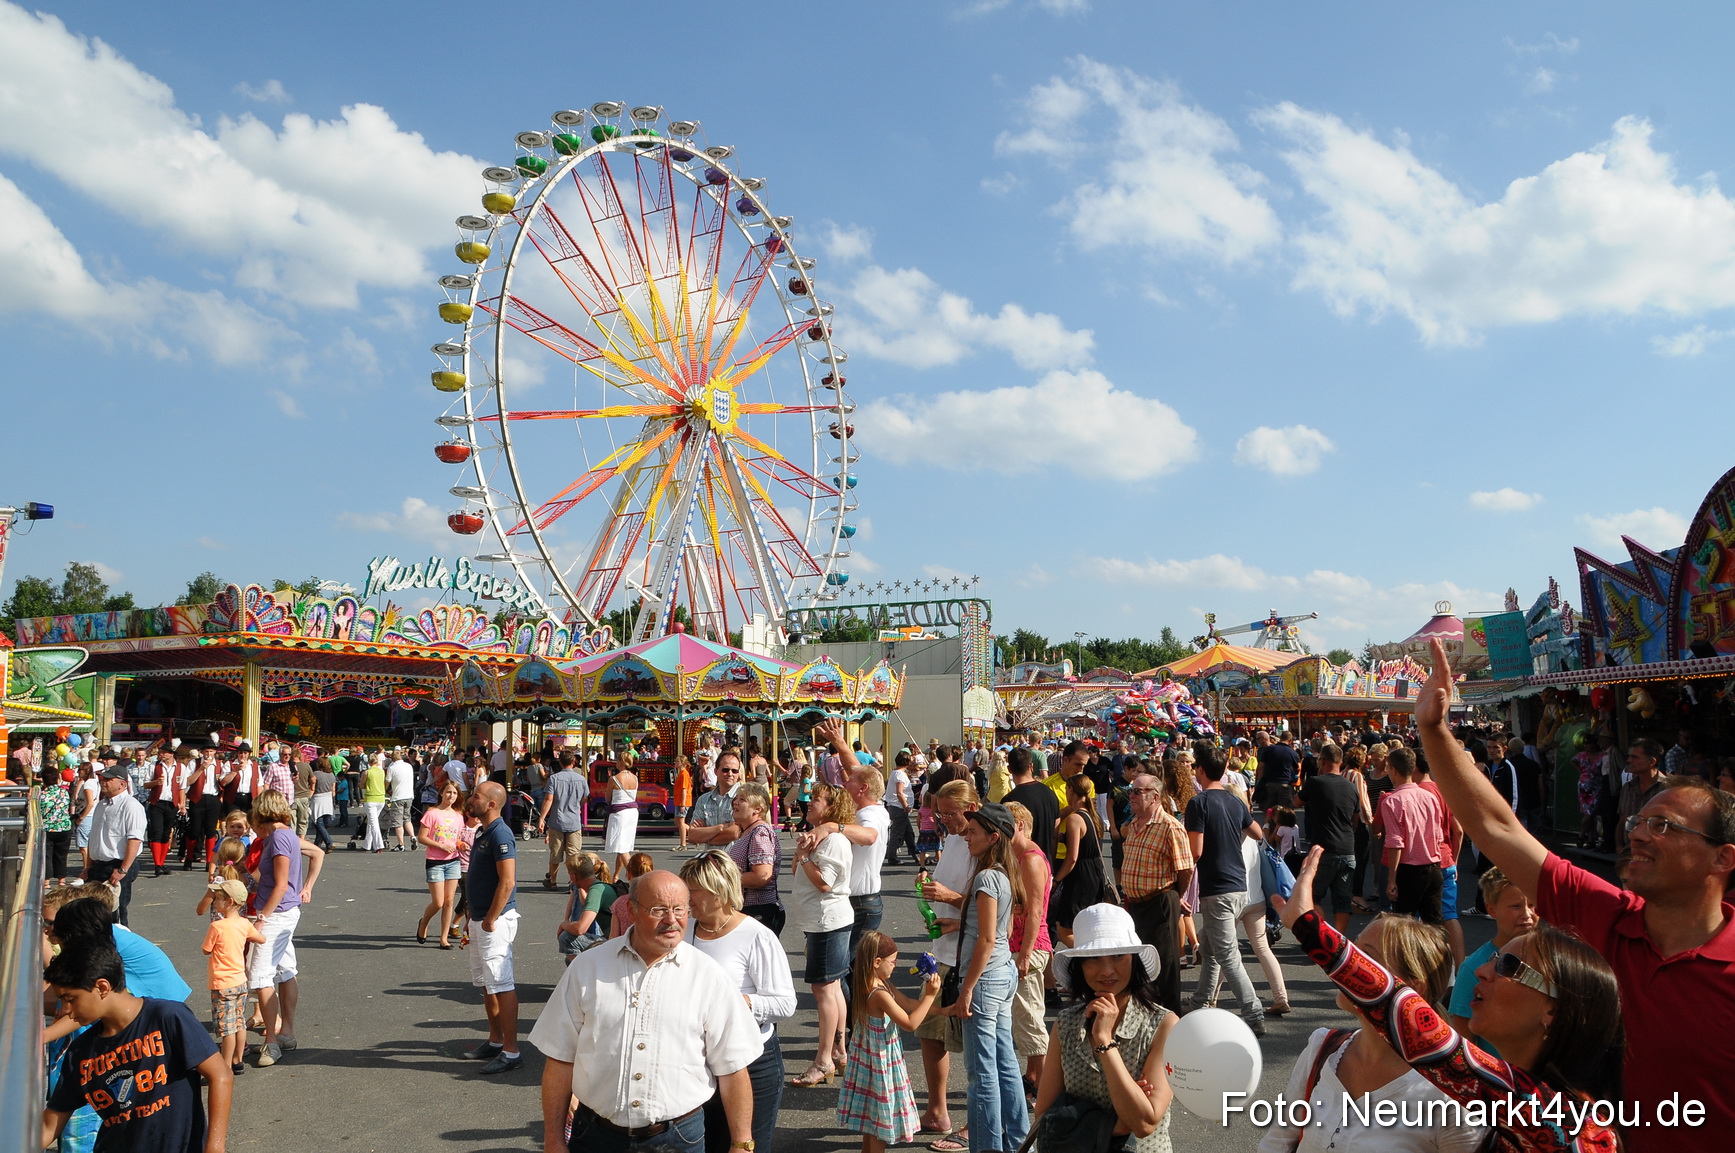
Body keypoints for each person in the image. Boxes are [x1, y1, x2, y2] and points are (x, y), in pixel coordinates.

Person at [1417, 638, 1734, 1153]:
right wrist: (1433, 730)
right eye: (1638, 821)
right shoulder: (1606, 914)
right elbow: (1497, 827)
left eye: (1664, 826)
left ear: (1723, 859)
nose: (1637, 834)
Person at [1282, 845, 1620, 1153]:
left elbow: (1425, 1036)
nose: (1483, 970)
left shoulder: (1566, 1122)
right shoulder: (1519, 1103)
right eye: (1494, 958)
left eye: (1509, 965)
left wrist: (1311, 929)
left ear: (1554, 1009)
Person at [530, 869, 762, 1153]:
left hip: (679, 1139)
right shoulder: (588, 967)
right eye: (658, 910)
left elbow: (733, 1068)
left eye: (680, 910)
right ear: (631, 909)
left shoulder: (709, 976)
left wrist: (742, 1143)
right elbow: (560, 1059)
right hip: (595, 1137)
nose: (672, 920)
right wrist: (553, 1139)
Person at [1259, 906, 1487, 1153]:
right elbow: (1278, 1141)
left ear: (1412, 989)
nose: (1344, 965)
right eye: (1351, 949)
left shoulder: (1450, 1098)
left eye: (1365, 957)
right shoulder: (1323, 1047)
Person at [42, 940, 233, 1153]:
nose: (64, 1010)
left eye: (70, 999)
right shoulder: (80, 1052)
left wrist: (215, 1146)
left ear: (102, 987)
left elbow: (220, 1075)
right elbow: (50, 1125)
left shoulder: (168, 1018)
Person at [1033, 903, 1176, 1153]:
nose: (1107, 970)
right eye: (1093, 958)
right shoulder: (1066, 1024)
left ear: (1135, 960)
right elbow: (1045, 1117)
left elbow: (1144, 1123)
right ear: (1080, 965)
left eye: (1118, 956)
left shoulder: (1163, 1025)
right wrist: (1117, 1124)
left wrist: (1104, 1041)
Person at [681, 850, 797, 1153]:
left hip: (752, 1061)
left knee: (745, 1147)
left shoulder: (757, 936)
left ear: (719, 892)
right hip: (697, 1059)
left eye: (693, 890)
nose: (686, 898)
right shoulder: (683, 930)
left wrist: (736, 1001)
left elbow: (785, 1004)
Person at [944, 801, 1028, 1153]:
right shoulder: (1005, 875)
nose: (967, 837)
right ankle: (1020, 1140)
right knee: (1004, 1061)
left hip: (986, 979)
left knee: (982, 1074)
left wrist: (967, 989)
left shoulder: (987, 877)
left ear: (994, 838)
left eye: (974, 832)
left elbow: (987, 937)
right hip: (1002, 973)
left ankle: (988, 1146)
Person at [837, 929, 942, 1153]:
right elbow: (910, 1022)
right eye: (892, 961)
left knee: (871, 1121)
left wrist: (945, 1011)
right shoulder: (878, 992)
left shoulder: (879, 982)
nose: (895, 966)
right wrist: (931, 994)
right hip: (880, 1064)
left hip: (872, 1061)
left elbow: (909, 1004)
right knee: (878, 1125)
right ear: (877, 962)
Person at [1184, 748, 1266, 1034]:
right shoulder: (1233, 800)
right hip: (1237, 884)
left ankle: (1253, 1011)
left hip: (1216, 885)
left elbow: (1196, 851)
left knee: (1228, 954)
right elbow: (1257, 832)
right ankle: (1201, 1000)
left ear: (1201, 770)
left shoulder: (1199, 803)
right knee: (1210, 946)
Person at [914, 778, 979, 1141]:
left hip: (965, 954)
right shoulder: (954, 837)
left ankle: (975, 1122)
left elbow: (993, 902)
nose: (944, 822)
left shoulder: (983, 840)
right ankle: (937, 1111)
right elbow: (949, 882)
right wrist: (930, 882)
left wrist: (951, 899)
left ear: (970, 809)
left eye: (950, 815)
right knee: (930, 1032)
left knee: (972, 1042)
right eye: (940, 814)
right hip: (942, 949)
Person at [247, 788, 322, 1068]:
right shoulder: (287, 834)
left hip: (276, 912)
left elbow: (279, 884)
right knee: (286, 969)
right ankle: (286, 1032)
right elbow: (318, 854)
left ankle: (272, 1040)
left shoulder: (277, 838)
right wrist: (306, 888)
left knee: (260, 975)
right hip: (287, 910)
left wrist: (261, 918)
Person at [788, 779, 855, 1086]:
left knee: (824, 991)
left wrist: (804, 857)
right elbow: (794, 870)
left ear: (831, 807)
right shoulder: (819, 838)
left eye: (816, 799)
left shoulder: (833, 841)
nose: (809, 802)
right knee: (833, 987)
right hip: (820, 922)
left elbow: (824, 883)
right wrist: (801, 851)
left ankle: (824, 1059)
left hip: (828, 921)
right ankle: (839, 1052)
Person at [458, 782, 522, 1074]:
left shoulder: (501, 833)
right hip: (482, 917)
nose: (471, 799)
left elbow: (507, 881)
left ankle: (511, 1050)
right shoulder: (484, 831)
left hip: (494, 921)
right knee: (487, 982)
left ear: (492, 804)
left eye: (476, 796)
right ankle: (496, 1040)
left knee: (501, 982)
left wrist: (490, 919)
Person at [1117, 772, 1193, 1014]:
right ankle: (1145, 1017)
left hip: (1159, 901)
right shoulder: (1134, 825)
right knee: (1140, 965)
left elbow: (1185, 868)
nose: (1131, 796)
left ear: (1154, 797)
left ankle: (1169, 1024)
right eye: (1131, 790)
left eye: (1137, 792)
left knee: (1163, 967)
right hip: (1135, 904)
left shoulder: (1170, 826)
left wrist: (1177, 895)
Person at [1445, 867, 1537, 1045]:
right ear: (1491, 909)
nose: (1527, 914)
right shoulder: (1474, 968)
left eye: (1532, 905)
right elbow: (1463, 1041)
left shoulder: (1551, 957)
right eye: (1515, 906)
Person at [1002, 801, 1053, 1090]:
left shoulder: (1031, 859)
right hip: (1021, 944)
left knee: (1029, 1016)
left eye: (1007, 825)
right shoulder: (1016, 855)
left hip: (1029, 947)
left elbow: (1035, 911)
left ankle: (1045, 1084)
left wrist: (1025, 954)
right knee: (1024, 1015)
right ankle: (1034, 1076)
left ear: (1020, 825)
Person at [201, 878, 265, 1076]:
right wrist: (257, 929)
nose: (214, 901)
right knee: (239, 1022)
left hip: (222, 983)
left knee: (225, 1028)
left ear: (229, 902)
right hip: (240, 981)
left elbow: (206, 950)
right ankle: (238, 1059)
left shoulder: (217, 927)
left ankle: (225, 1065)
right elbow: (260, 938)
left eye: (218, 898)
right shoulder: (244, 924)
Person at [1377, 746, 1445, 923]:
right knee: (1434, 924)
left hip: (1408, 869)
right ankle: (1440, 951)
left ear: (1394, 770)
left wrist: (1391, 879)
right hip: (1433, 865)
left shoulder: (1391, 801)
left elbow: (1394, 842)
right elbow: (1438, 835)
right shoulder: (1430, 797)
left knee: (1404, 924)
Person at [1300, 742, 1361, 934]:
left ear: (1323, 761)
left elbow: (1295, 802)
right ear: (1341, 762)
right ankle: (1340, 940)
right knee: (1342, 900)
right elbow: (1355, 820)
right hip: (1347, 848)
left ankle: (1322, 935)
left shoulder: (1315, 783)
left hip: (1323, 848)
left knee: (1313, 895)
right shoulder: (1351, 787)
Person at [84, 763, 147, 925]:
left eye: (107, 779)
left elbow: (135, 839)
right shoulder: (101, 805)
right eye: (101, 778)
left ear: (122, 784)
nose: (102, 782)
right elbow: (94, 836)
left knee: (115, 914)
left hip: (117, 865)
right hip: (98, 866)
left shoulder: (131, 806)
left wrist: (122, 869)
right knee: (94, 912)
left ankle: (117, 947)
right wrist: (88, 866)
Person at [1052, 774, 1109, 947]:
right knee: (1088, 924)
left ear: (1071, 790)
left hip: (1080, 877)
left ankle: (1090, 955)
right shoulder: (1094, 816)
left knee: (1064, 930)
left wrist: (1056, 880)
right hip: (1095, 872)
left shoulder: (1075, 818)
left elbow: (1072, 858)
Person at [724, 781, 784, 933]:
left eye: (742, 799)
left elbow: (762, 877)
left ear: (758, 809)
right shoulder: (749, 831)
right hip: (748, 909)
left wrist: (723, 878)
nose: (735, 802)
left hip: (759, 910)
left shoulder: (760, 833)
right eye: (736, 798)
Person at [417, 779, 466, 947]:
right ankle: (424, 922)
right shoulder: (432, 813)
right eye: (448, 792)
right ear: (441, 793)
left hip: (453, 861)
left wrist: (461, 845)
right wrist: (440, 845)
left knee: (449, 901)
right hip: (435, 861)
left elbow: (457, 839)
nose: (450, 796)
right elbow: (421, 837)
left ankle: (443, 938)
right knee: (438, 902)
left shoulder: (458, 816)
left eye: (454, 793)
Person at [536, 751, 591, 889]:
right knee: (573, 855)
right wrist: (578, 805)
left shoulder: (554, 779)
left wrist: (542, 818)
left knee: (555, 853)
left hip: (557, 820)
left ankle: (553, 881)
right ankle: (573, 882)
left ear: (560, 762)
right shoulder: (581, 779)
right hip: (574, 821)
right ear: (573, 762)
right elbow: (586, 797)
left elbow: (548, 799)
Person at [1002, 747, 1059, 861]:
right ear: (1031, 766)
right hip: (1046, 862)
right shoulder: (1050, 794)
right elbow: (1055, 833)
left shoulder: (1009, 802)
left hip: (1021, 864)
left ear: (1009, 769)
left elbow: (1007, 839)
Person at [557, 852, 616, 960]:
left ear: (573, 876)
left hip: (615, 943)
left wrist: (564, 924)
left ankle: (588, 973)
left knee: (566, 938)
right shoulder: (599, 886)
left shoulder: (595, 892)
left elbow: (580, 928)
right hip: (616, 939)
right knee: (569, 958)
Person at [1614, 738, 1668, 856]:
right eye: (1629, 756)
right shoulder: (1627, 788)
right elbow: (1622, 820)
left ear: (1652, 762)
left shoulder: (1668, 789)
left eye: (1635, 757)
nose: (1628, 760)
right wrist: (1619, 846)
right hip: (1630, 854)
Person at [689, 751, 744, 846]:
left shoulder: (744, 798)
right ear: (716, 771)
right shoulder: (704, 800)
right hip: (710, 859)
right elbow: (693, 835)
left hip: (734, 860)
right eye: (725, 770)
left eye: (734, 771)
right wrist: (722, 827)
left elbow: (735, 832)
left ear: (738, 774)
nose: (730, 774)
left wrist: (707, 837)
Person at [603, 753, 640, 878]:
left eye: (618, 760)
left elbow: (608, 797)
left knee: (621, 847)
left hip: (620, 813)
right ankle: (616, 875)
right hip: (632, 812)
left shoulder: (614, 778)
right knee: (624, 845)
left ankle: (634, 876)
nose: (616, 763)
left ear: (622, 762)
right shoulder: (635, 778)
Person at [883, 751, 918, 866]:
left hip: (896, 806)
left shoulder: (895, 773)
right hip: (899, 807)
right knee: (897, 833)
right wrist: (906, 806)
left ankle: (914, 853)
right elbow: (899, 792)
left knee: (909, 832)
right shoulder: (900, 775)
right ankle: (892, 856)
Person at [384, 749, 415, 851]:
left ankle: (401, 844)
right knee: (407, 818)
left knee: (398, 822)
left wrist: (385, 789)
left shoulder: (392, 768)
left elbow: (387, 781)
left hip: (398, 796)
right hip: (409, 795)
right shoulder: (408, 766)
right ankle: (413, 836)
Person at [673, 754, 695, 850]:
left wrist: (683, 804)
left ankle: (683, 844)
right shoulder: (681, 774)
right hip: (679, 800)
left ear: (682, 763)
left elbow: (684, 790)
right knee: (677, 821)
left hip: (683, 801)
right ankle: (695, 834)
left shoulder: (684, 774)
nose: (675, 763)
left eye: (677, 761)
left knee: (681, 822)